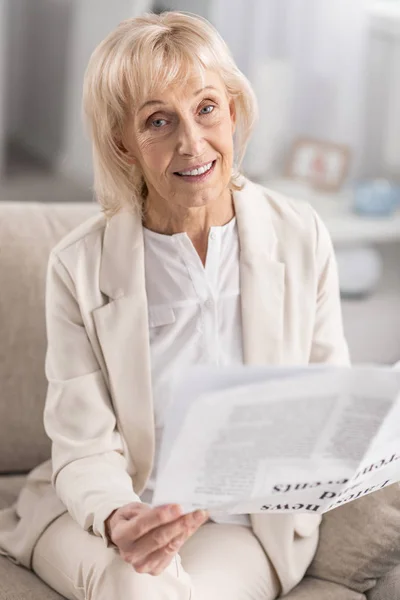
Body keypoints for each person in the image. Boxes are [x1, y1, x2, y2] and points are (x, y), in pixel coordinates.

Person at [0, 11, 350, 600]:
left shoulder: (300, 235)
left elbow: (327, 400)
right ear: (124, 144)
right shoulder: (78, 266)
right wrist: (120, 518)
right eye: (158, 121)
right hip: (103, 510)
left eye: (206, 108)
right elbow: (84, 442)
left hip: (239, 523)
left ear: (233, 111)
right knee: (134, 585)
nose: (192, 141)